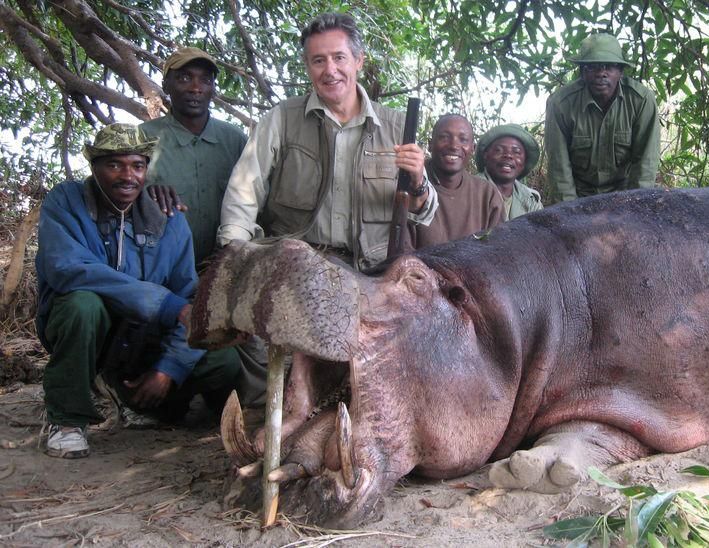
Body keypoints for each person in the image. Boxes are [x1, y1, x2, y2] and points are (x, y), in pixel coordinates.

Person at [36, 123, 241, 459]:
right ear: (94, 167)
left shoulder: (168, 217)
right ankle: (67, 420)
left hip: (141, 341)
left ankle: (141, 400)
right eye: (114, 165)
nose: (126, 176)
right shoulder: (66, 202)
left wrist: (167, 370)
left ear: (147, 169)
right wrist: (165, 305)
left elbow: (187, 295)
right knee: (82, 305)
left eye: (137, 165)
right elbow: (67, 268)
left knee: (223, 360)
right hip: (91, 333)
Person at [218, 12, 437, 270]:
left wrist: (419, 181)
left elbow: (425, 213)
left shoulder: (398, 126)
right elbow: (244, 191)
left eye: (339, 57)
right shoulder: (282, 118)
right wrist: (232, 255)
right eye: (318, 60)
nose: (330, 70)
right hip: (295, 269)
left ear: (358, 61)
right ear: (307, 65)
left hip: (371, 274)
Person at [140, 46, 248, 265]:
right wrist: (144, 195)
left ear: (214, 89)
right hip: (161, 268)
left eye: (206, 80)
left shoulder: (236, 140)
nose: (196, 88)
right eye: (184, 78)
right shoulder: (142, 138)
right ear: (166, 86)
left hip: (224, 266)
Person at [545, 33, 662, 201]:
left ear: (621, 72)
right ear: (582, 72)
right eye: (593, 67)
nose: (601, 73)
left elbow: (645, 165)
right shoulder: (561, 103)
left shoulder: (641, 100)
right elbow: (559, 169)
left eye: (609, 66)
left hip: (624, 194)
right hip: (578, 195)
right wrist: (570, 214)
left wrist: (633, 208)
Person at [412, 114, 505, 248]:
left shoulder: (487, 193)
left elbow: (497, 249)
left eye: (463, 139)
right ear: (430, 144)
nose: (454, 146)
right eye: (444, 137)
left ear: (472, 148)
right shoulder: (411, 182)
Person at [475, 123, 543, 219]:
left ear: (524, 162)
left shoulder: (531, 199)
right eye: (499, 150)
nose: (508, 155)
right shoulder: (468, 192)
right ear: (486, 156)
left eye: (516, 152)